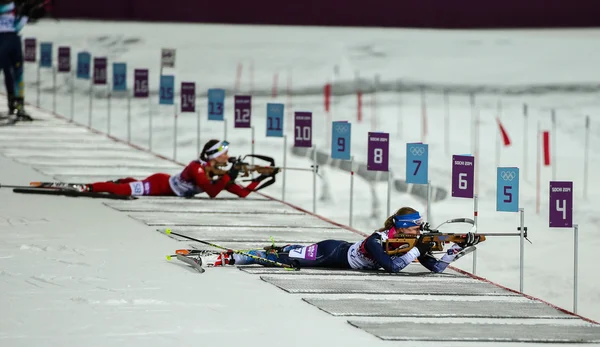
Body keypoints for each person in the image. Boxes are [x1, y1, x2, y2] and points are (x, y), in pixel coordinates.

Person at [211, 207, 481, 272]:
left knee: (290, 251)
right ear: (403, 228)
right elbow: (392, 267)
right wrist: (416, 252)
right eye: (416, 228)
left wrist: (456, 250)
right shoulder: (377, 240)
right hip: (331, 253)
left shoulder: (412, 242)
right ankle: (234, 256)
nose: (420, 232)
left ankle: (279, 247)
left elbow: (436, 269)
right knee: (284, 260)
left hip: (337, 249)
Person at [81, 139, 278, 198]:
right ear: (214, 156)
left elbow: (242, 193)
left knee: (128, 185)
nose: (227, 157)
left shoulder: (220, 174)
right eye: (223, 154)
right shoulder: (196, 167)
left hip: (166, 187)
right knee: (123, 191)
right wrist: (230, 175)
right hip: (159, 185)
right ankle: (87, 187)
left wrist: (259, 178)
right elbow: (211, 192)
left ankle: (121, 180)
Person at [0, 0, 46, 120]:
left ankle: (17, 105)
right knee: (13, 74)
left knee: (16, 73)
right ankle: (16, 105)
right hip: (7, 40)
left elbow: (16, 26)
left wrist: (26, 13)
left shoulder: (13, 7)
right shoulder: (11, 7)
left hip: (12, 40)